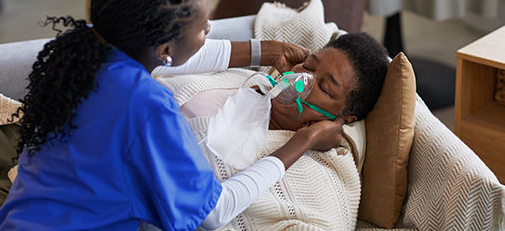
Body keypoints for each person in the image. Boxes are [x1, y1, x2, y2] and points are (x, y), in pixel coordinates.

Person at [0, 0, 349, 231]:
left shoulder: (87, 50)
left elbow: (182, 56)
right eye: (204, 27)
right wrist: (303, 142)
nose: (211, 27)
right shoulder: (146, 105)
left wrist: (264, 50)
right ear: (165, 49)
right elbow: (214, 212)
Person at [155, 32, 389, 230]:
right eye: (308, 66)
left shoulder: (311, 175)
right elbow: (156, 58)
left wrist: (304, 140)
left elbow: (209, 209)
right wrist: (267, 52)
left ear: (344, 118)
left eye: (324, 87)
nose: (302, 80)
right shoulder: (248, 80)